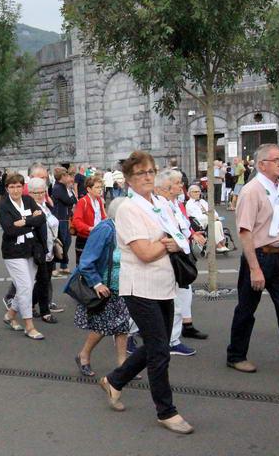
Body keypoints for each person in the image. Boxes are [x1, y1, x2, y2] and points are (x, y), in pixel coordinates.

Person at [98, 150, 194, 435]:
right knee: (160, 351)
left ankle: (115, 380)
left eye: (151, 171)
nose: (147, 177)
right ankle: (166, 411)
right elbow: (145, 252)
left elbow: (181, 236)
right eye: (140, 173)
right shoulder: (129, 209)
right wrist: (168, 243)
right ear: (129, 179)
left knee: (155, 345)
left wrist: (170, 241)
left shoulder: (160, 203)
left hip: (164, 284)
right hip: (139, 287)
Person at [227, 143, 279, 376]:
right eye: (276, 160)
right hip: (259, 257)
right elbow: (245, 232)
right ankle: (236, 355)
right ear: (261, 164)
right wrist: (254, 268)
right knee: (246, 309)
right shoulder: (251, 191)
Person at [70, 197, 130, 377]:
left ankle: (123, 366)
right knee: (102, 327)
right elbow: (86, 261)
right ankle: (83, 355)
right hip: (105, 288)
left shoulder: (127, 228)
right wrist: (96, 283)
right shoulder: (105, 229)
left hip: (124, 286)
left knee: (123, 326)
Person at [154, 171, 204, 357]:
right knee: (171, 301)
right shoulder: (160, 205)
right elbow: (166, 231)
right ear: (162, 188)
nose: (180, 185)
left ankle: (174, 338)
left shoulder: (175, 203)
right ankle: (168, 341)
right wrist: (179, 242)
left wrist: (191, 236)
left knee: (182, 296)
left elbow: (183, 226)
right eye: (175, 183)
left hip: (181, 255)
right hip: (170, 258)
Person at [0, 173, 46, 340]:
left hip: (31, 249)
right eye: (12, 187)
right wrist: (32, 221)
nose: (15, 190)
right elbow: (10, 230)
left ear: (23, 187)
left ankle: (10, 314)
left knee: (27, 286)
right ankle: (29, 326)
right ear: (7, 189)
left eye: (18, 186)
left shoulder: (28, 200)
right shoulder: (3, 205)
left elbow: (42, 218)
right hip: (13, 252)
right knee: (25, 286)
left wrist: (25, 222)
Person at [29, 177, 59, 324]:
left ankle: (28, 304)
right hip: (40, 250)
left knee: (43, 281)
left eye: (42, 192)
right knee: (43, 281)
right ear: (30, 193)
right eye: (36, 193)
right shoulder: (30, 209)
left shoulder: (45, 206)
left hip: (50, 248)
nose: (40, 195)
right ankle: (45, 312)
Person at [71, 176, 107, 265]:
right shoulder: (82, 202)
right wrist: (89, 228)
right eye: (97, 187)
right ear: (89, 189)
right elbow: (76, 221)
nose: (100, 190)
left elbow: (103, 217)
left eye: (101, 187)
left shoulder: (99, 201)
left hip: (97, 237)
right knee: (83, 267)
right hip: (84, 239)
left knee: (96, 265)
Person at [185, 185, 229, 253]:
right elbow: (197, 217)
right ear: (189, 193)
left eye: (198, 191)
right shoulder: (189, 204)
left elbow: (212, 210)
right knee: (215, 222)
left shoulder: (203, 201)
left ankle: (220, 244)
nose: (197, 193)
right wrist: (211, 217)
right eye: (195, 192)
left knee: (218, 223)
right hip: (198, 223)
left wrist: (215, 216)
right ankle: (219, 245)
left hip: (208, 220)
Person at [51, 167, 76, 276]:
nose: (69, 178)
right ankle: (53, 267)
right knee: (58, 243)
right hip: (59, 218)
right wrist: (70, 191)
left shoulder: (63, 187)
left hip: (64, 218)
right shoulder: (58, 188)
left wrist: (70, 191)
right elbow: (69, 201)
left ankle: (63, 265)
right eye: (67, 176)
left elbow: (73, 200)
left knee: (67, 241)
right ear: (62, 177)